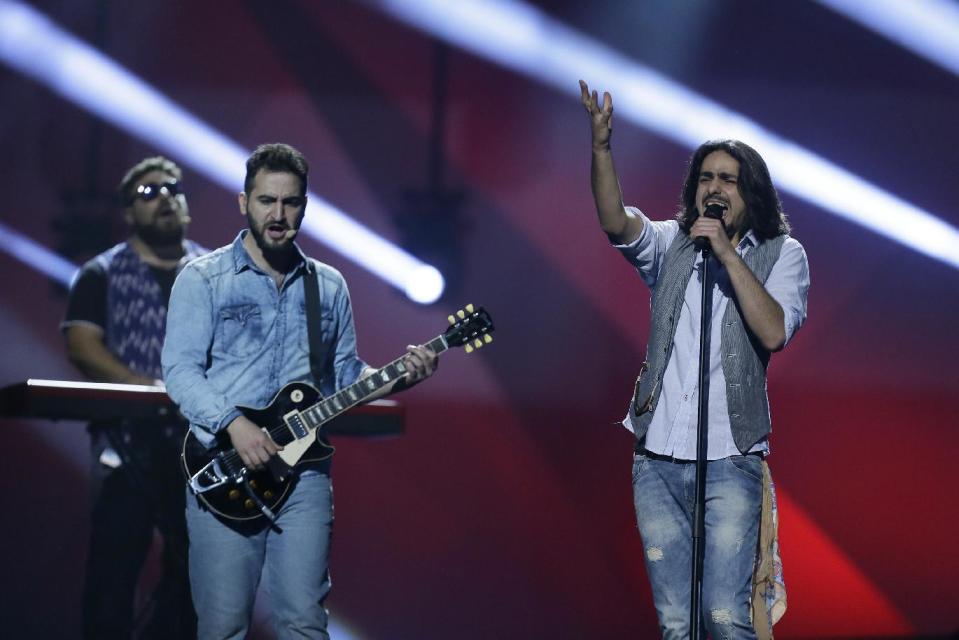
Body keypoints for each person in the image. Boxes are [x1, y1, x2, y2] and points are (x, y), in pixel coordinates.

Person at [161, 142, 439, 639]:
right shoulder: (203, 278)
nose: (278, 214)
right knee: (223, 626)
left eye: (290, 203)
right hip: (224, 468)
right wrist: (234, 424)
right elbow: (179, 372)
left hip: (305, 476)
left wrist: (401, 375)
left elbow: (343, 376)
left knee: (304, 624)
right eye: (267, 201)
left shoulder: (328, 285)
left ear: (304, 206)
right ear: (244, 202)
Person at [580, 80, 809, 639]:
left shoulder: (784, 255)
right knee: (677, 622)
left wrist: (728, 253)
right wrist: (603, 148)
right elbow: (616, 222)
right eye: (706, 178)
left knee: (725, 618)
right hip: (657, 457)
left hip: (731, 459)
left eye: (727, 179)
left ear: (749, 192)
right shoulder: (672, 243)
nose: (714, 187)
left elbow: (774, 330)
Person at [62, 156, 203, 639]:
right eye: (149, 193)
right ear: (128, 212)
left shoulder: (217, 275)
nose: (164, 197)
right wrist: (149, 389)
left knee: (195, 578)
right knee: (114, 574)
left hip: (201, 450)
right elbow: (82, 344)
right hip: (127, 445)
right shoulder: (100, 273)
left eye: (172, 188)